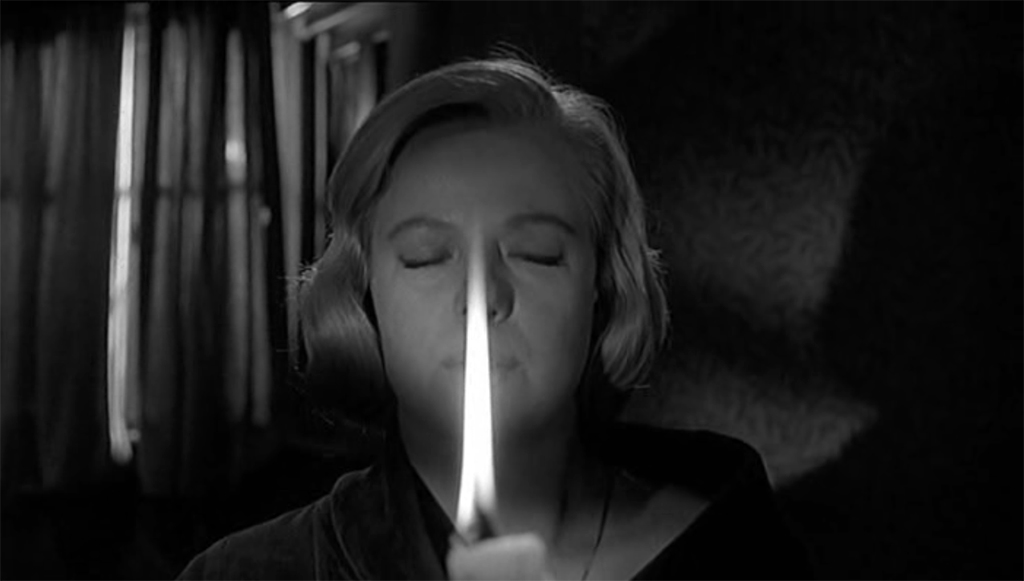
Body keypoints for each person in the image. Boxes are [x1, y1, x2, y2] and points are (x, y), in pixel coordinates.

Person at [179, 57, 812, 580]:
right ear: (366, 291)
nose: (482, 299)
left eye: (537, 253)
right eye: (426, 257)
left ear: (602, 284)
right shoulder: (251, 573)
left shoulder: (734, 547)